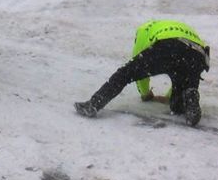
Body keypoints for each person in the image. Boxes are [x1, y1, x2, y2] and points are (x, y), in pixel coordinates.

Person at [75, 20, 210, 126]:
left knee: (125, 73)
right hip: (196, 55)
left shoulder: (143, 30)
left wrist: (146, 94)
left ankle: (94, 104)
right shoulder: (181, 27)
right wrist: (169, 96)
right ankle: (190, 96)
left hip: (168, 46)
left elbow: (138, 70)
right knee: (177, 105)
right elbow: (181, 72)